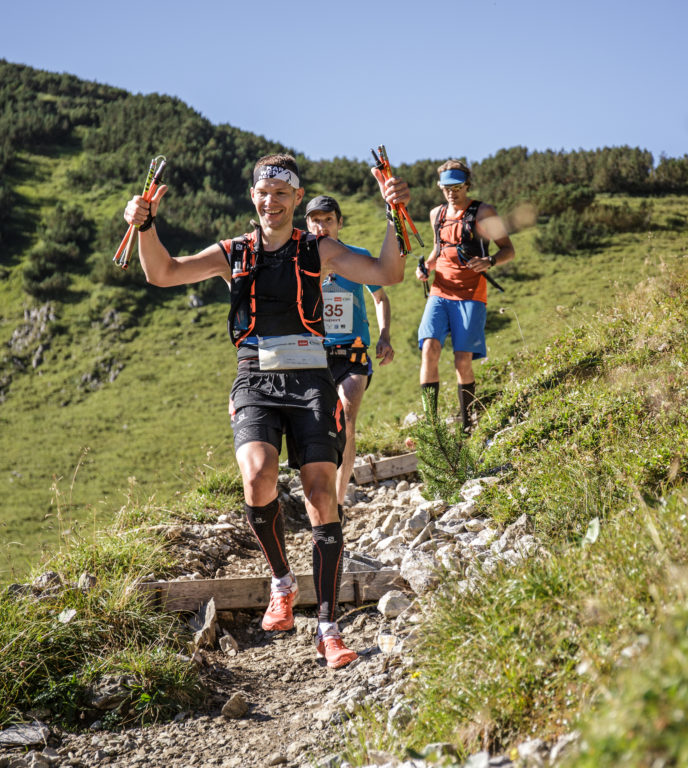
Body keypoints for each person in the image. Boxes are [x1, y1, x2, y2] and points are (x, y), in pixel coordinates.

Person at [123, 154, 409, 669]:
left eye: (282, 192)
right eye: (264, 192)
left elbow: (389, 272)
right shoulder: (234, 252)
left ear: (297, 200)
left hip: (311, 378)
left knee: (322, 492)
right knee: (257, 478)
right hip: (255, 375)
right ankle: (281, 579)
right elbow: (162, 272)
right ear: (252, 198)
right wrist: (146, 225)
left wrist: (393, 216)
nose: (272, 200)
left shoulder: (318, 249)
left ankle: (327, 625)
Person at [304, 195, 394, 519]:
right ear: (307, 225)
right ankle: (320, 495)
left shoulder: (358, 258)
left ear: (340, 223)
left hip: (353, 352)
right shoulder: (299, 261)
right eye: (315, 220)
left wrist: (384, 335)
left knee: (347, 417)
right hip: (314, 355)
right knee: (318, 426)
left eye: (328, 219)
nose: (322, 225)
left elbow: (381, 298)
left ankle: (338, 505)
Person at [416, 159, 515, 432]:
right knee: (429, 349)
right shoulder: (436, 214)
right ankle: (431, 424)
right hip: (439, 291)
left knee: (462, 361)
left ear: (467, 185)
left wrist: (490, 261)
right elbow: (437, 252)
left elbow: (509, 249)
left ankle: (468, 424)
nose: (452, 192)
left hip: (472, 295)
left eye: (457, 187)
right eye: (446, 187)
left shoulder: (484, 212)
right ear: (440, 187)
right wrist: (425, 268)